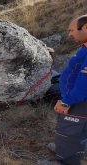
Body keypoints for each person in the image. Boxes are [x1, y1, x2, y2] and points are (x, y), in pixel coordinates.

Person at [53, 15, 87, 165]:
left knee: (68, 134)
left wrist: (66, 101)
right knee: (76, 134)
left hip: (79, 102)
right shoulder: (84, 47)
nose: (69, 34)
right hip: (77, 98)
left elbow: (84, 82)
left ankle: (67, 160)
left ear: (86, 28)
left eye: (72, 30)